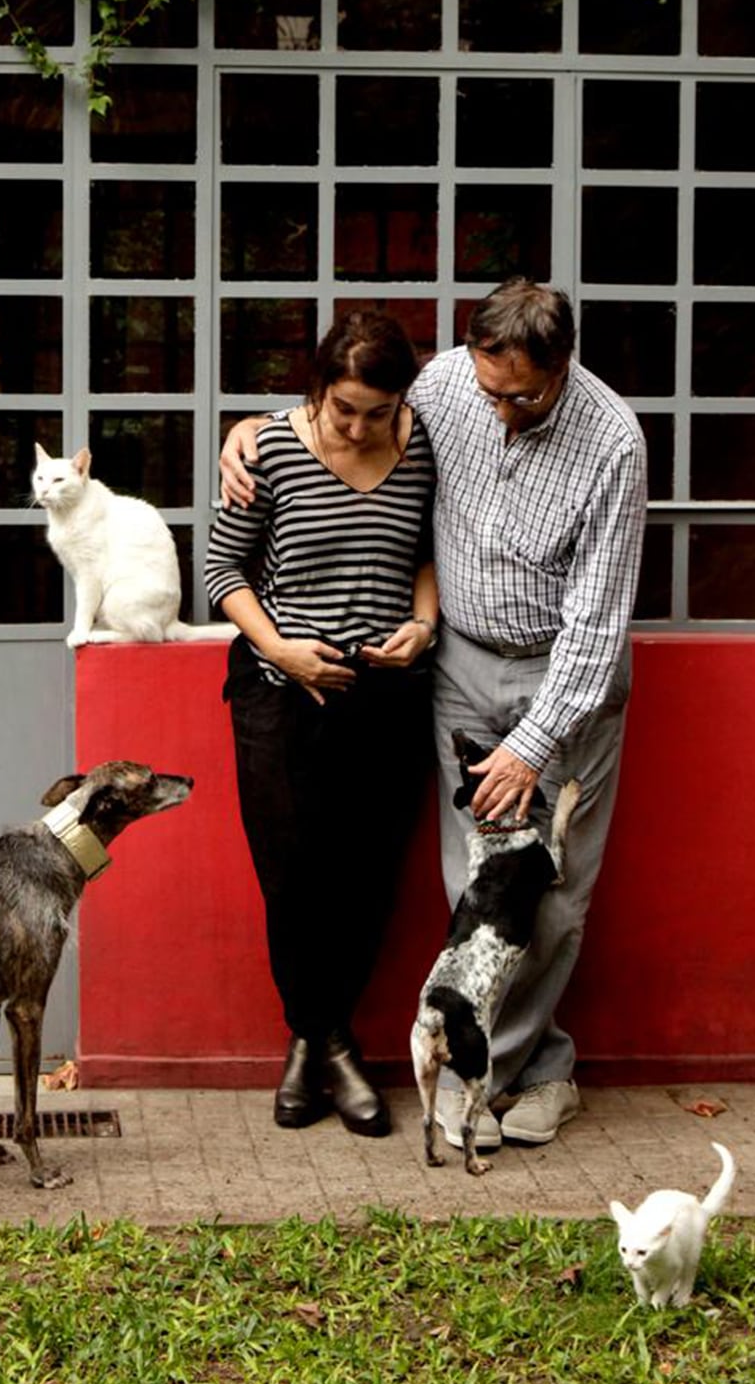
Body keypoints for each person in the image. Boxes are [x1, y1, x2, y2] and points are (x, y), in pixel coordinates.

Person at [220, 279, 647, 1153]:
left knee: (550, 895)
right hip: (456, 669)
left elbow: (597, 627)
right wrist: (247, 434)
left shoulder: (611, 444)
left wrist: (531, 746)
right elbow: (340, 402)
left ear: (562, 366)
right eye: (487, 389)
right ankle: (483, 1071)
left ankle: (514, 1077)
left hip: (560, 679)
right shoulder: (446, 384)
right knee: (473, 891)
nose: (498, 409)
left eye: (521, 394)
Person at [206, 309, 439, 1137]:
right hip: (279, 692)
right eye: (344, 407)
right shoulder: (267, 450)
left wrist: (425, 622)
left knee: (368, 878)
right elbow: (220, 569)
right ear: (317, 390)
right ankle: (330, 1044)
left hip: (386, 693)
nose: (358, 425)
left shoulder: (422, 444)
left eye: (375, 412)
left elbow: (423, 552)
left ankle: (314, 1048)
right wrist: (284, 651)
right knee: (292, 876)